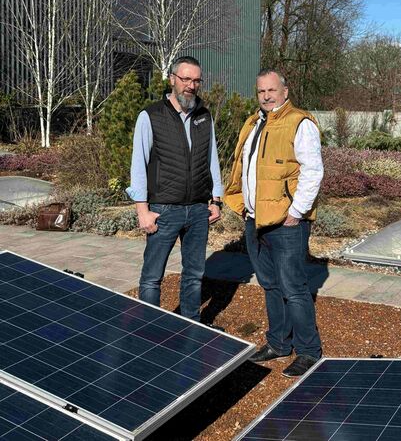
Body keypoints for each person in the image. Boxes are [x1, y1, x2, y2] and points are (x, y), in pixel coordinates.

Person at [224, 69, 324, 377]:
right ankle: (279, 342)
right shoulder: (255, 122)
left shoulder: (299, 123)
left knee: (293, 287)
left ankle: (309, 351)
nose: (266, 96)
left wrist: (296, 212)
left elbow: (313, 171)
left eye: (271, 90)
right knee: (269, 284)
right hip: (255, 219)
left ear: (285, 90)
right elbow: (243, 167)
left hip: (285, 222)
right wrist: (243, 206)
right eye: (261, 91)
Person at [127, 56, 223, 321]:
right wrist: (142, 211)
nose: (191, 86)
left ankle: (191, 328)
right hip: (163, 210)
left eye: (196, 80)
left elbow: (211, 159)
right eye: (185, 79)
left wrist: (216, 200)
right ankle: (150, 331)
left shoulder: (204, 116)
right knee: (152, 278)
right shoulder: (151, 116)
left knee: (194, 276)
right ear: (172, 79)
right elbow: (138, 165)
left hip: (197, 211)